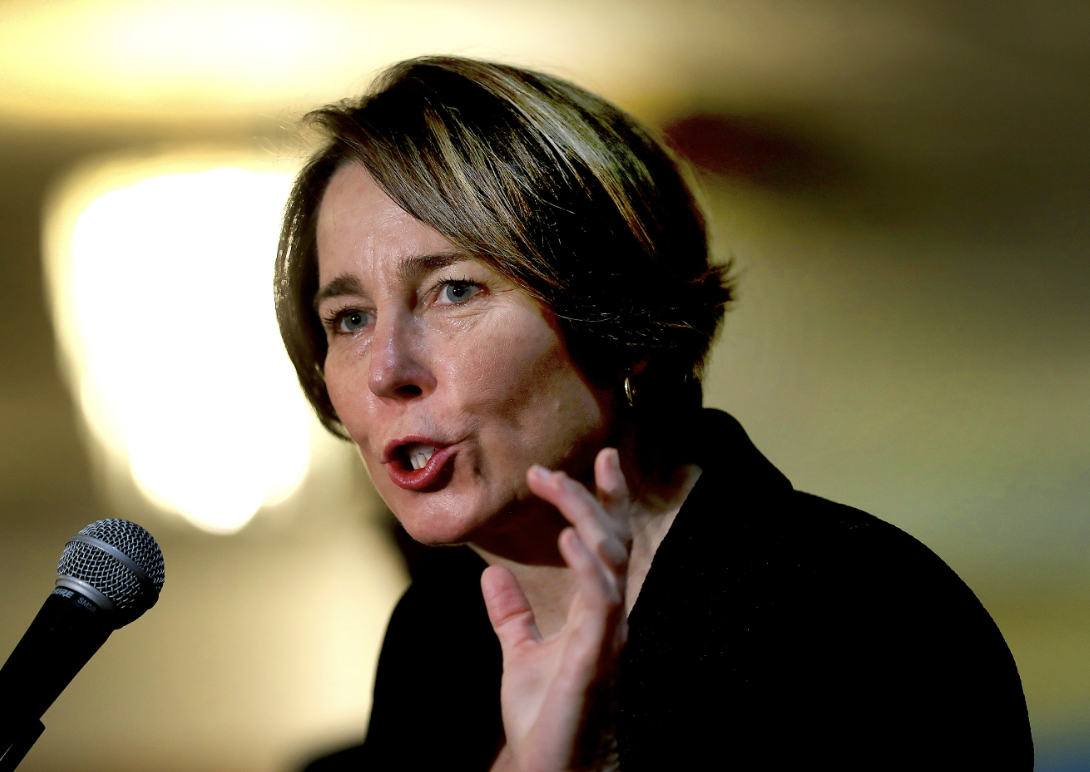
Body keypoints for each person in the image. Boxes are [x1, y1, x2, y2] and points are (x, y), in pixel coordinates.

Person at [275, 56, 1033, 771]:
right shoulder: (434, 638)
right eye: (349, 319)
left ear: (617, 321)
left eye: (455, 291)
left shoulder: (865, 614)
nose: (386, 371)